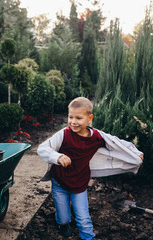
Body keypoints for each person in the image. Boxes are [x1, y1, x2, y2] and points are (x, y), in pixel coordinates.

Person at [37, 97, 143, 240]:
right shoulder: (64, 134)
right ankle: (63, 224)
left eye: (78, 118)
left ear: (89, 119)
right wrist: (57, 157)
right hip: (59, 182)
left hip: (80, 183)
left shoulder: (97, 137)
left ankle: (88, 237)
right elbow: (43, 148)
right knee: (63, 218)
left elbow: (117, 143)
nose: (73, 122)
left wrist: (136, 154)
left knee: (83, 218)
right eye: (70, 117)